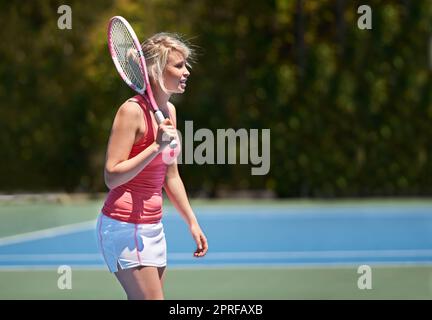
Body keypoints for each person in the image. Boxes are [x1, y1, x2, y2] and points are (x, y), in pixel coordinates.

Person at [96, 32, 208, 300]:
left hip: (153, 227)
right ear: (157, 71)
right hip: (124, 225)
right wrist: (155, 146)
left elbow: (171, 177)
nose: (187, 71)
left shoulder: (170, 112)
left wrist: (192, 222)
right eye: (179, 65)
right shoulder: (131, 111)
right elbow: (111, 176)